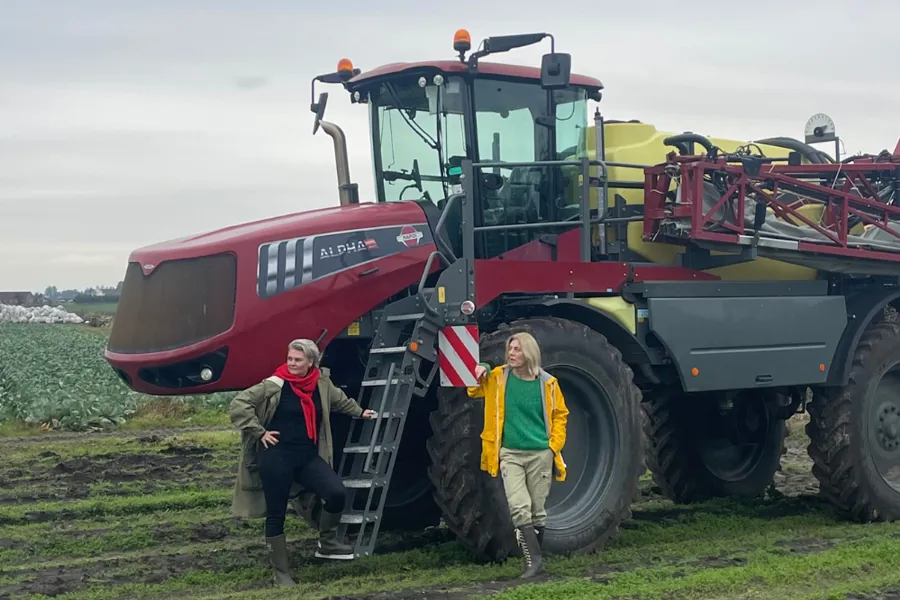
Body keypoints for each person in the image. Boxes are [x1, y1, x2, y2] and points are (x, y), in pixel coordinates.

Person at [229, 338, 377, 587]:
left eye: (298, 360)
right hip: (276, 457)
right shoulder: (274, 384)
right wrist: (259, 432)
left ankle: (327, 544)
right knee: (276, 514)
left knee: (336, 493)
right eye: (290, 359)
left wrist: (360, 412)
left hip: (306, 456)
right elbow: (239, 404)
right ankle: (282, 574)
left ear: (311, 362)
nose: (292, 363)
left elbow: (339, 401)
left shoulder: (320, 383)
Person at [469, 331, 569, 579]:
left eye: (516, 350)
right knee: (519, 507)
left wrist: (552, 447)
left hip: (540, 454)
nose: (511, 354)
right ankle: (532, 562)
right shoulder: (499, 377)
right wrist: (480, 367)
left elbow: (560, 416)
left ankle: (538, 562)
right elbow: (474, 391)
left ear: (529, 353)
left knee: (537, 510)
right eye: (510, 349)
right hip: (510, 453)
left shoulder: (548, 383)